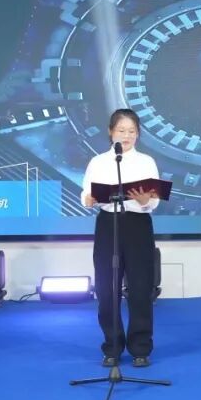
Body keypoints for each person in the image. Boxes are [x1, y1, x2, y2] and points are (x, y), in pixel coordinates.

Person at [81, 109, 160, 368]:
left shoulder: (146, 161)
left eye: (132, 131)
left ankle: (140, 348)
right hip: (108, 224)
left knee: (140, 288)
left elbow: (154, 200)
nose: (126, 136)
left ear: (138, 134)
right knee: (107, 288)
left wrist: (145, 200)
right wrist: (89, 199)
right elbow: (86, 193)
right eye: (121, 131)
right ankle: (112, 347)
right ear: (110, 132)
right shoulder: (99, 161)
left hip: (138, 224)